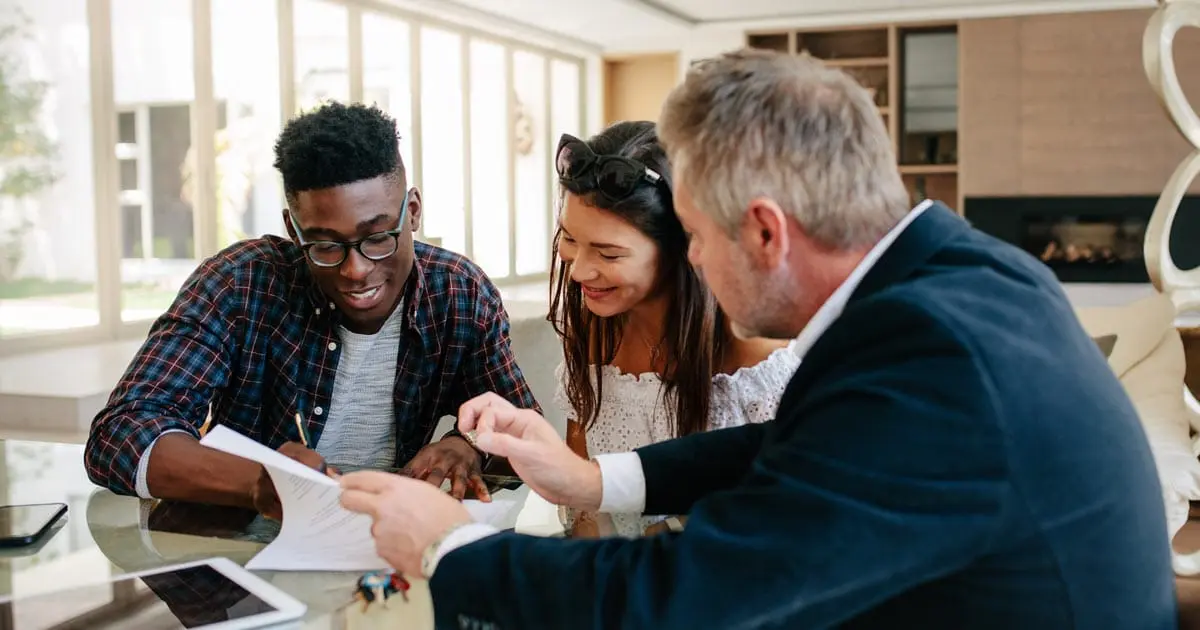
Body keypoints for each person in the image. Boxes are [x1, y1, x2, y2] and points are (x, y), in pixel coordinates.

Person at [338, 51, 1177, 629]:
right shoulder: (963, 272)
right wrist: (593, 478)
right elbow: (803, 446)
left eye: (698, 238)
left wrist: (450, 548)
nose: (696, 262)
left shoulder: (932, 361)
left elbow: (691, 600)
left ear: (767, 232)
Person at [85, 102, 539, 519]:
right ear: (293, 229)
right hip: (244, 545)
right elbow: (120, 433)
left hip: (387, 543)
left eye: (378, 237)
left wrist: (468, 444)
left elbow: (524, 431)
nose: (356, 270)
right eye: (324, 245)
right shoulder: (240, 283)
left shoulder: (459, 293)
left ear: (413, 212)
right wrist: (259, 483)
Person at [549, 121, 799, 538]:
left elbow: (784, 514)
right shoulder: (597, 330)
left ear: (683, 249)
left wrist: (672, 534)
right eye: (570, 239)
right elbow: (584, 504)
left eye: (608, 254)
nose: (578, 271)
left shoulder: (752, 354)